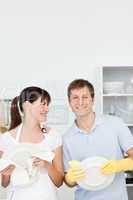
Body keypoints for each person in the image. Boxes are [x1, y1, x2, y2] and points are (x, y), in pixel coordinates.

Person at [63, 79, 133, 200]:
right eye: (75, 97)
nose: (80, 102)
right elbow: (69, 182)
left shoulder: (115, 124)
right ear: (69, 102)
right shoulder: (66, 139)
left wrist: (120, 164)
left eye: (85, 97)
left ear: (92, 99)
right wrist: (69, 178)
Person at [0, 86, 64, 200]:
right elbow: (4, 184)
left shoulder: (52, 136)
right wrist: (5, 174)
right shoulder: (6, 139)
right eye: (42, 104)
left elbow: (59, 182)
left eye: (47, 104)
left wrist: (47, 165)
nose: (47, 109)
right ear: (27, 105)